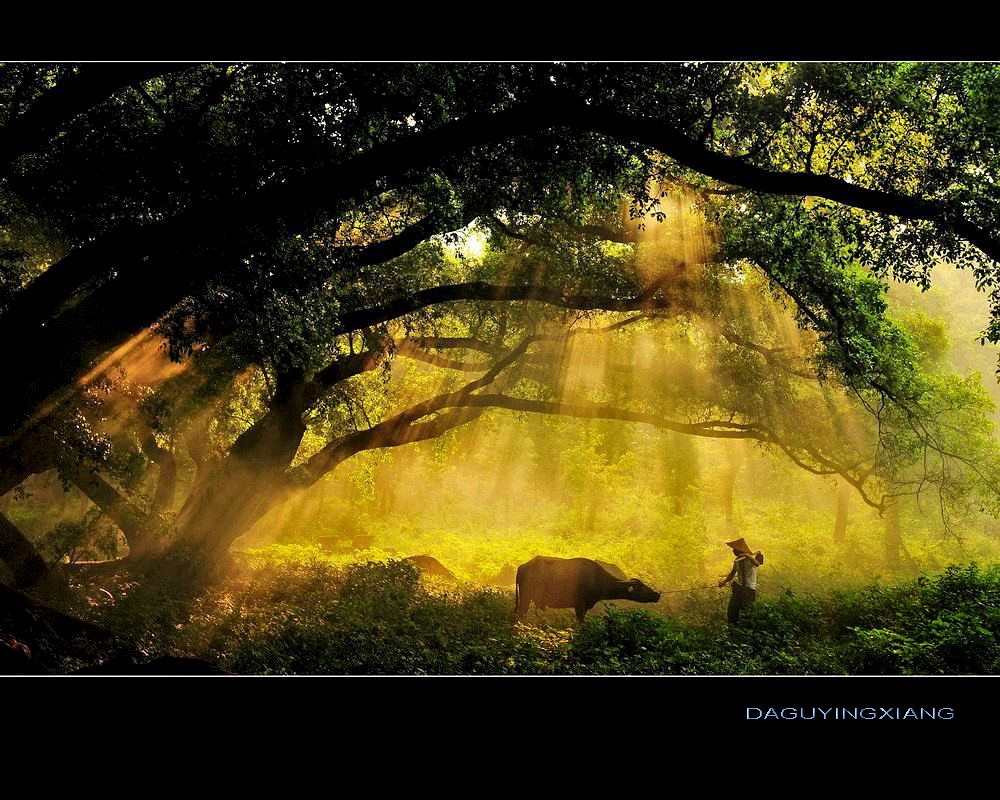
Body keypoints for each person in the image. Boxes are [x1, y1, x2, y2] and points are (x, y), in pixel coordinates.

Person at [718, 537, 763, 625]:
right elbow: (732, 574)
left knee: (747, 613)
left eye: (735, 549)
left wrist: (748, 556)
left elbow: (757, 564)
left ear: (739, 550)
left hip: (749, 590)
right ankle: (733, 629)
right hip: (739, 589)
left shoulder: (750, 560)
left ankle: (747, 632)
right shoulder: (737, 561)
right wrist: (724, 582)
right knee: (732, 610)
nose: (733, 551)